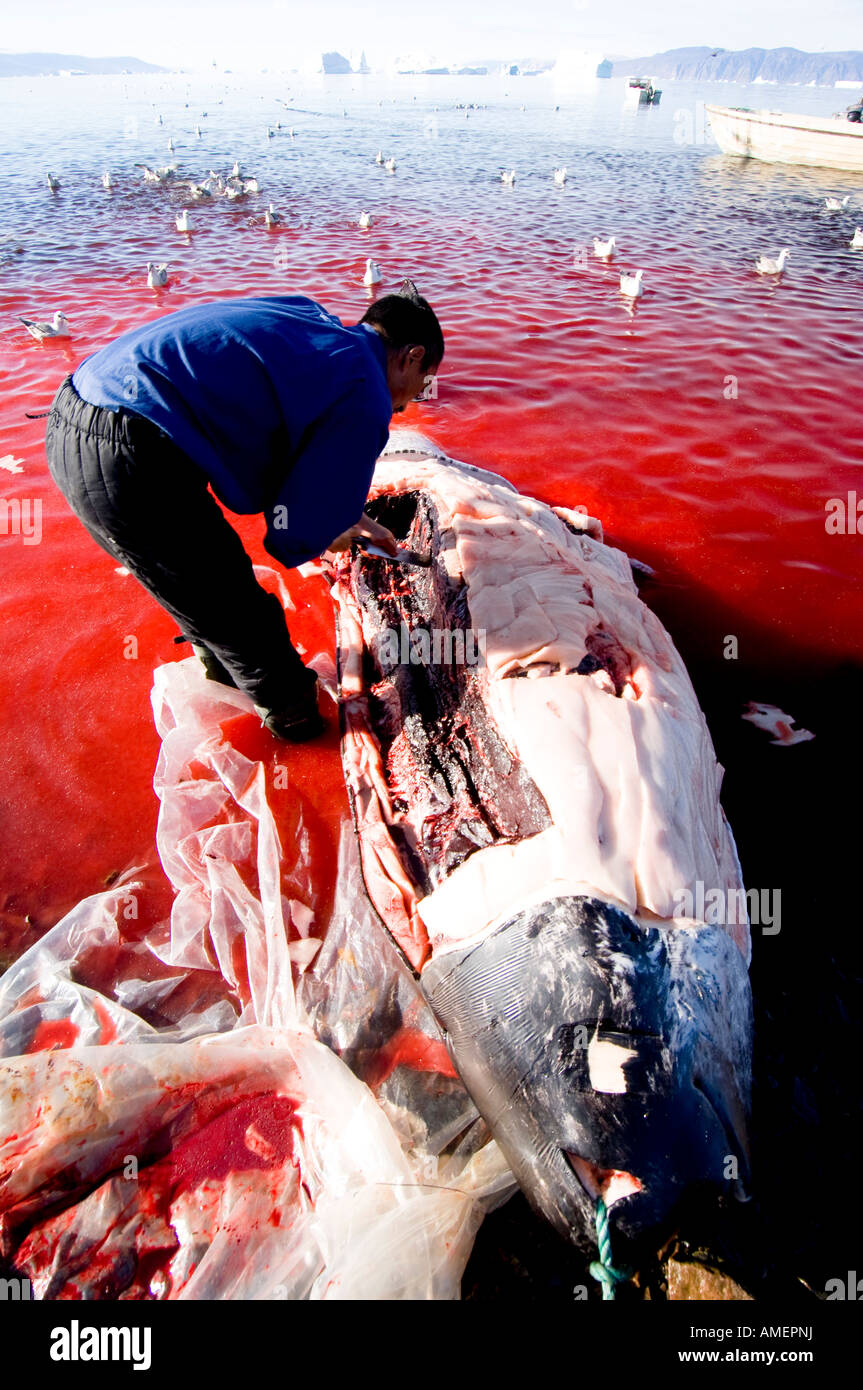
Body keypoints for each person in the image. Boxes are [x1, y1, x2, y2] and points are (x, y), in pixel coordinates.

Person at [45, 282, 444, 740]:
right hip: (129, 453)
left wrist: (350, 516)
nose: (410, 402)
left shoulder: (309, 318)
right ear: (412, 356)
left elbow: (287, 439)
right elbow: (298, 527)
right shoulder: (367, 389)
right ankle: (300, 731)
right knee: (247, 626)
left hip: (78, 410)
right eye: (421, 383)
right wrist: (329, 528)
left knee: (203, 596)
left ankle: (231, 705)